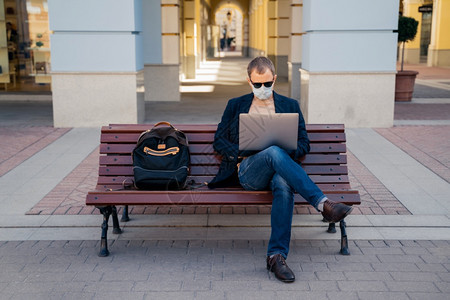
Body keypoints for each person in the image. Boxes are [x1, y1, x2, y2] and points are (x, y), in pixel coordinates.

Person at [208, 57, 353, 283]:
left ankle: (276, 257)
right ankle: (322, 204)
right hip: (248, 172)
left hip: (279, 172)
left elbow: (304, 142)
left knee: (283, 180)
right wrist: (244, 149)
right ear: (249, 81)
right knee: (273, 151)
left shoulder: (290, 106)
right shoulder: (235, 105)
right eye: (257, 84)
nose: (263, 89)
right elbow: (219, 141)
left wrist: (285, 150)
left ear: (274, 79)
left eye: (267, 84)